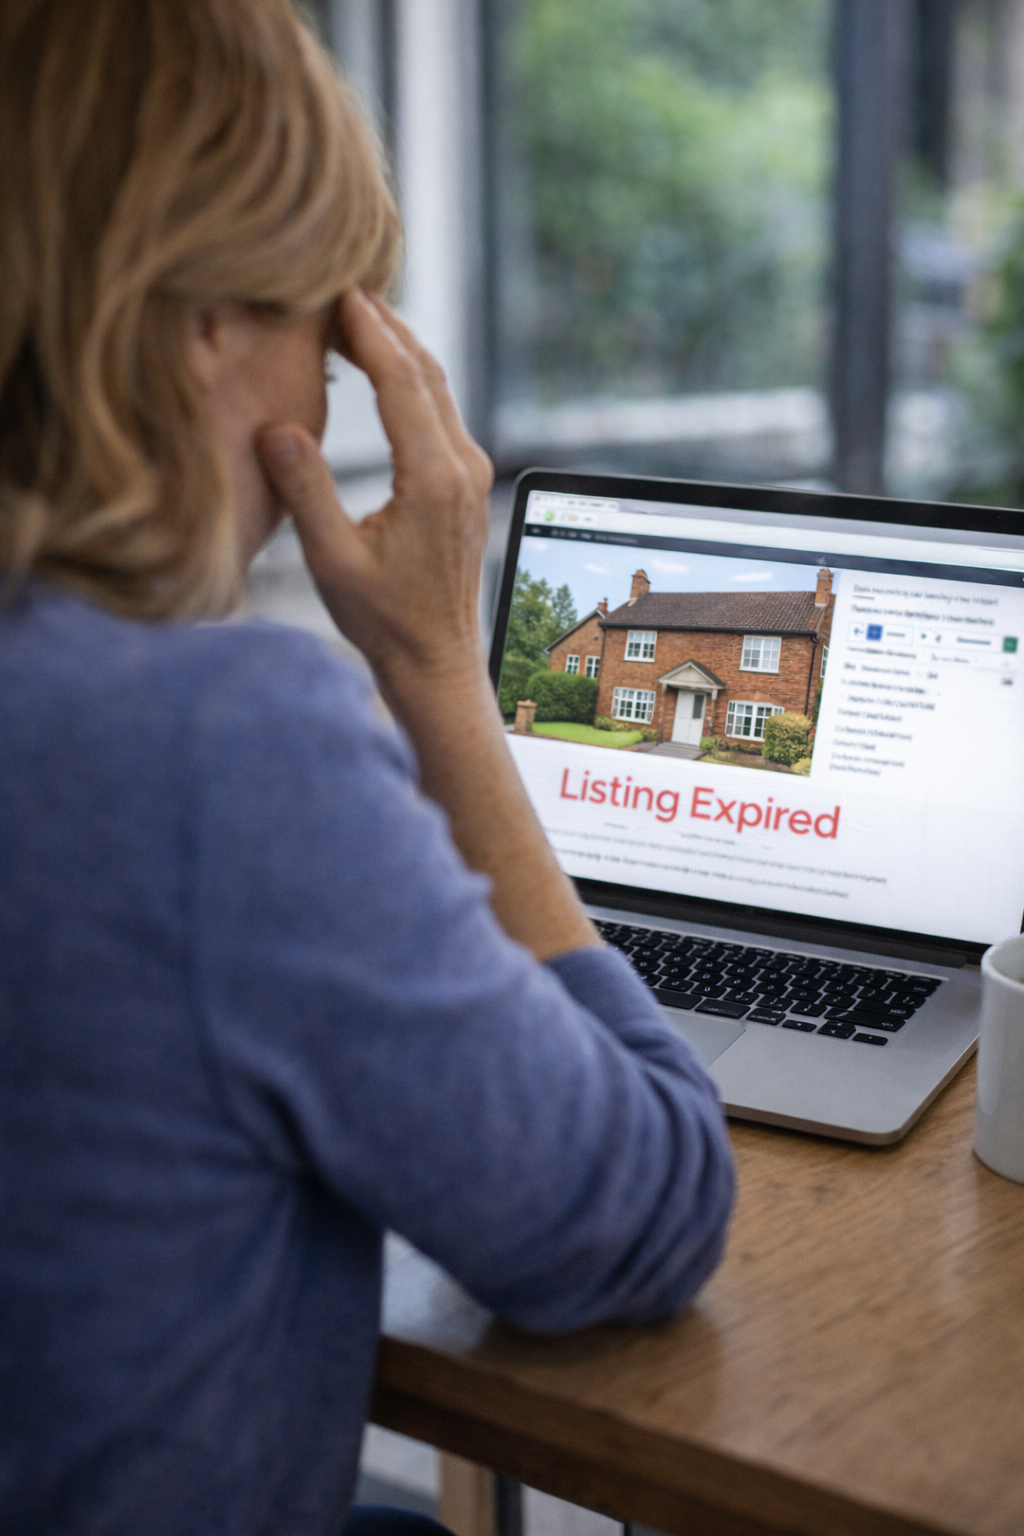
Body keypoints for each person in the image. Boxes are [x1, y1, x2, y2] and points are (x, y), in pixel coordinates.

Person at [0, 3, 735, 1535]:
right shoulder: (210, 745)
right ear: (201, 319)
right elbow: (640, 1219)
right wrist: (435, 675)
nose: (330, 403)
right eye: (331, 333)